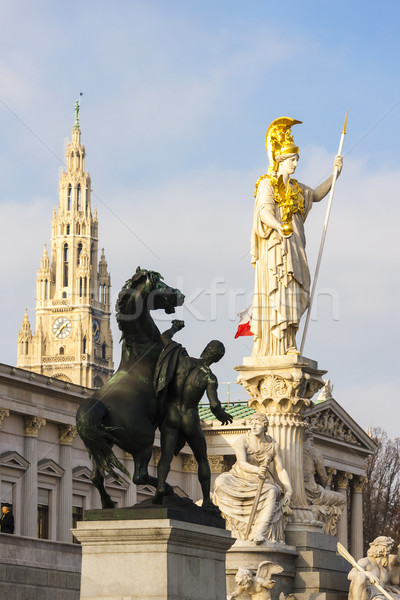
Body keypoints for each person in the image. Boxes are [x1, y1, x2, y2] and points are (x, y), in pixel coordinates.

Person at [250, 117, 343, 356]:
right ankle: (278, 345)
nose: (295, 164)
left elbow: (317, 195)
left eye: (296, 159)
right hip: (276, 248)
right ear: (280, 160)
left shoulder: (297, 188)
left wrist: (335, 174)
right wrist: (278, 226)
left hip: (296, 246)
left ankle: (290, 340)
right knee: (279, 289)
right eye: (292, 159)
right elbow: (264, 212)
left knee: (294, 292)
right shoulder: (267, 185)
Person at [153, 320, 233, 507]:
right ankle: (206, 500)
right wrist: (221, 415)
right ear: (218, 358)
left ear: (205, 349)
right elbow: (214, 405)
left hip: (171, 414)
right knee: (202, 458)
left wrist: (174, 328)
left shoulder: (182, 359)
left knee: (165, 455)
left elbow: (163, 338)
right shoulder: (209, 376)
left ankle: (159, 488)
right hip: (189, 417)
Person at [213, 413, 292, 544]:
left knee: (272, 491)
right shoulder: (243, 440)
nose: (254, 426)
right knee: (220, 481)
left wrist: (289, 490)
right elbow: (242, 463)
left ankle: (259, 531)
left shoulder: (272, 445)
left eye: (258, 423)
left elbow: (281, 469)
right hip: (239, 477)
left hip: (260, 481)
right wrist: (258, 469)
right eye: (252, 423)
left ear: (265, 426)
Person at [303, 428, 345, 535]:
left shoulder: (292, 450)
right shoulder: (314, 452)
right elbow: (324, 477)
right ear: (311, 440)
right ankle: (327, 531)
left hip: (296, 490)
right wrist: (322, 486)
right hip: (312, 492)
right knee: (342, 499)